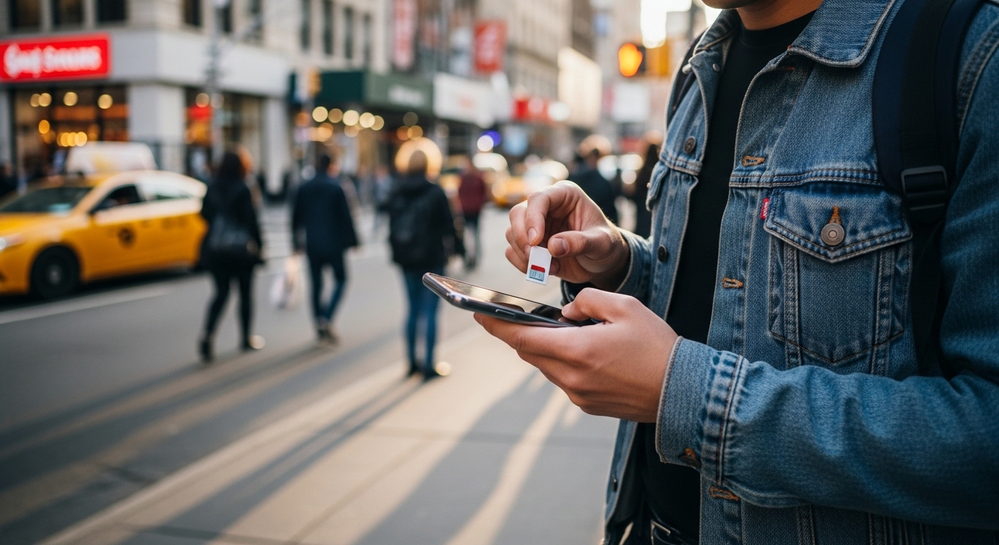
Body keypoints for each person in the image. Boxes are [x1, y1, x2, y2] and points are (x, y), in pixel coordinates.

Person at [475, 1, 999, 544]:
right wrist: (617, 263)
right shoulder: (704, 61)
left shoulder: (968, 54)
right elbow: (725, 287)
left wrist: (687, 393)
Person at [386, 148, 457, 380]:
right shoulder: (435, 191)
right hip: (432, 258)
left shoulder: (397, 190)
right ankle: (428, 364)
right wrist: (458, 250)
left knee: (412, 309)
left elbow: (391, 224)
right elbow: (449, 225)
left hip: (406, 258)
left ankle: (411, 363)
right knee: (430, 311)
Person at [198, 148, 265, 362]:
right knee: (245, 294)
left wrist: (219, 226)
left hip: (216, 248)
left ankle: (208, 335)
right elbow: (251, 221)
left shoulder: (212, 185)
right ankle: (245, 338)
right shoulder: (243, 187)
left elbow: (204, 212)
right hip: (239, 250)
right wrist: (260, 245)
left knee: (220, 293)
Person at [291, 151, 359, 343]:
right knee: (341, 279)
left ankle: (319, 322)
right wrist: (353, 241)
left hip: (312, 243)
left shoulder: (304, 187)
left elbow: (295, 217)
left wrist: (295, 242)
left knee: (316, 285)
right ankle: (326, 317)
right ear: (331, 166)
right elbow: (346, 217)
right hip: (334, 243)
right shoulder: (336, 188)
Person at [570, 134, 619, 225]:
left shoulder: (573, 176)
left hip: (575, 225)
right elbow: (610, 210)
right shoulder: (602, 181)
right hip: (598, 226)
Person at [457, 156, 488, 270]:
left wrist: (479, 204)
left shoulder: (478, 178)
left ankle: (476, 257)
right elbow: (459, 192)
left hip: (475, 210)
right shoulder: (463, 178)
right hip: (465, 210)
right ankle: (469, 257)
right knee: (467, 235)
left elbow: (484, 192)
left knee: (475, 234)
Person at [629, 132, 662, 239]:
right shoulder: (661, 173)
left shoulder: (642, 172)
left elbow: (633, 195)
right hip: (657, 221)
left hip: (642, 220)